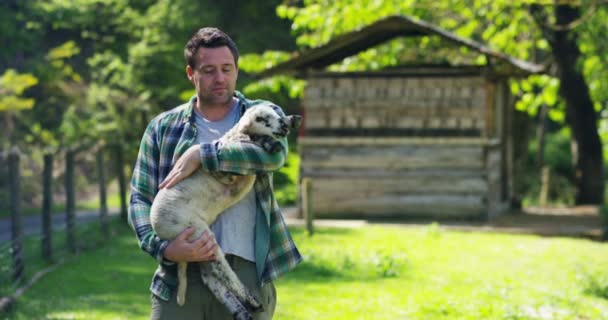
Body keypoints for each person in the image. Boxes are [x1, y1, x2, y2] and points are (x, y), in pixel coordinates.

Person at [128, 27, 302, 320]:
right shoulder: (162, 127)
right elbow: (139, 199)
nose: (220, 78)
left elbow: (274, 155)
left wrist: (202, 154)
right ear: (190, 73)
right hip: (179, 276)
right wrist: (165, 249)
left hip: (247, 271)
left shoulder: (261, 114)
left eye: (226, 68)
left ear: (237, 69)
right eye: (208, 70)